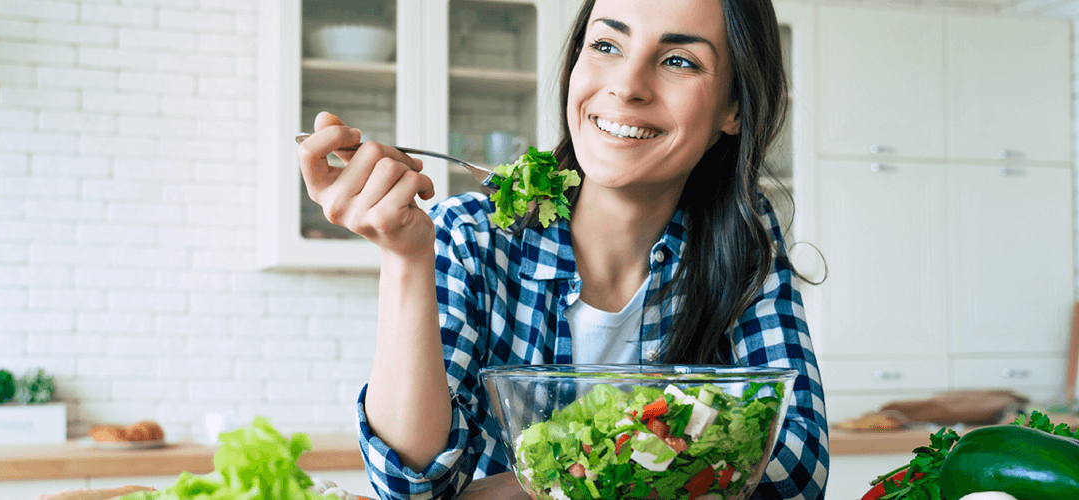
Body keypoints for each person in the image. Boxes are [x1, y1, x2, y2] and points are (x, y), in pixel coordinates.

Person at [296, 0, 828, 498]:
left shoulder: (745, 240)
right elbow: (412, 487)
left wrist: (536, 482)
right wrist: (406, 257)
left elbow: (800, 468)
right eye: (606, 46)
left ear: (733, 107)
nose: (626, 86)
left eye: (677, 60)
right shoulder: (467, 235)